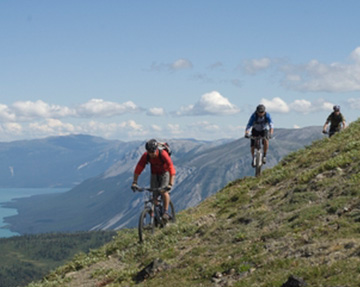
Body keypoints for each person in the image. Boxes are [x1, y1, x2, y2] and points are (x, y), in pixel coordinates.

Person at [131, 139, 176, 221]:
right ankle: (157, 215)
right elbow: (139, 168)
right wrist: (134, 182)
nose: (151, 154)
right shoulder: (146, 155)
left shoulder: (163, 154)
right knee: (154, 195)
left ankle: (165, 213)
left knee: (163, 191)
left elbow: (171, 168)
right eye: (149, 152)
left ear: (156, 149)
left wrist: (170, 184)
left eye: (152, 152)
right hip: (154, 173)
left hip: (165, 172)